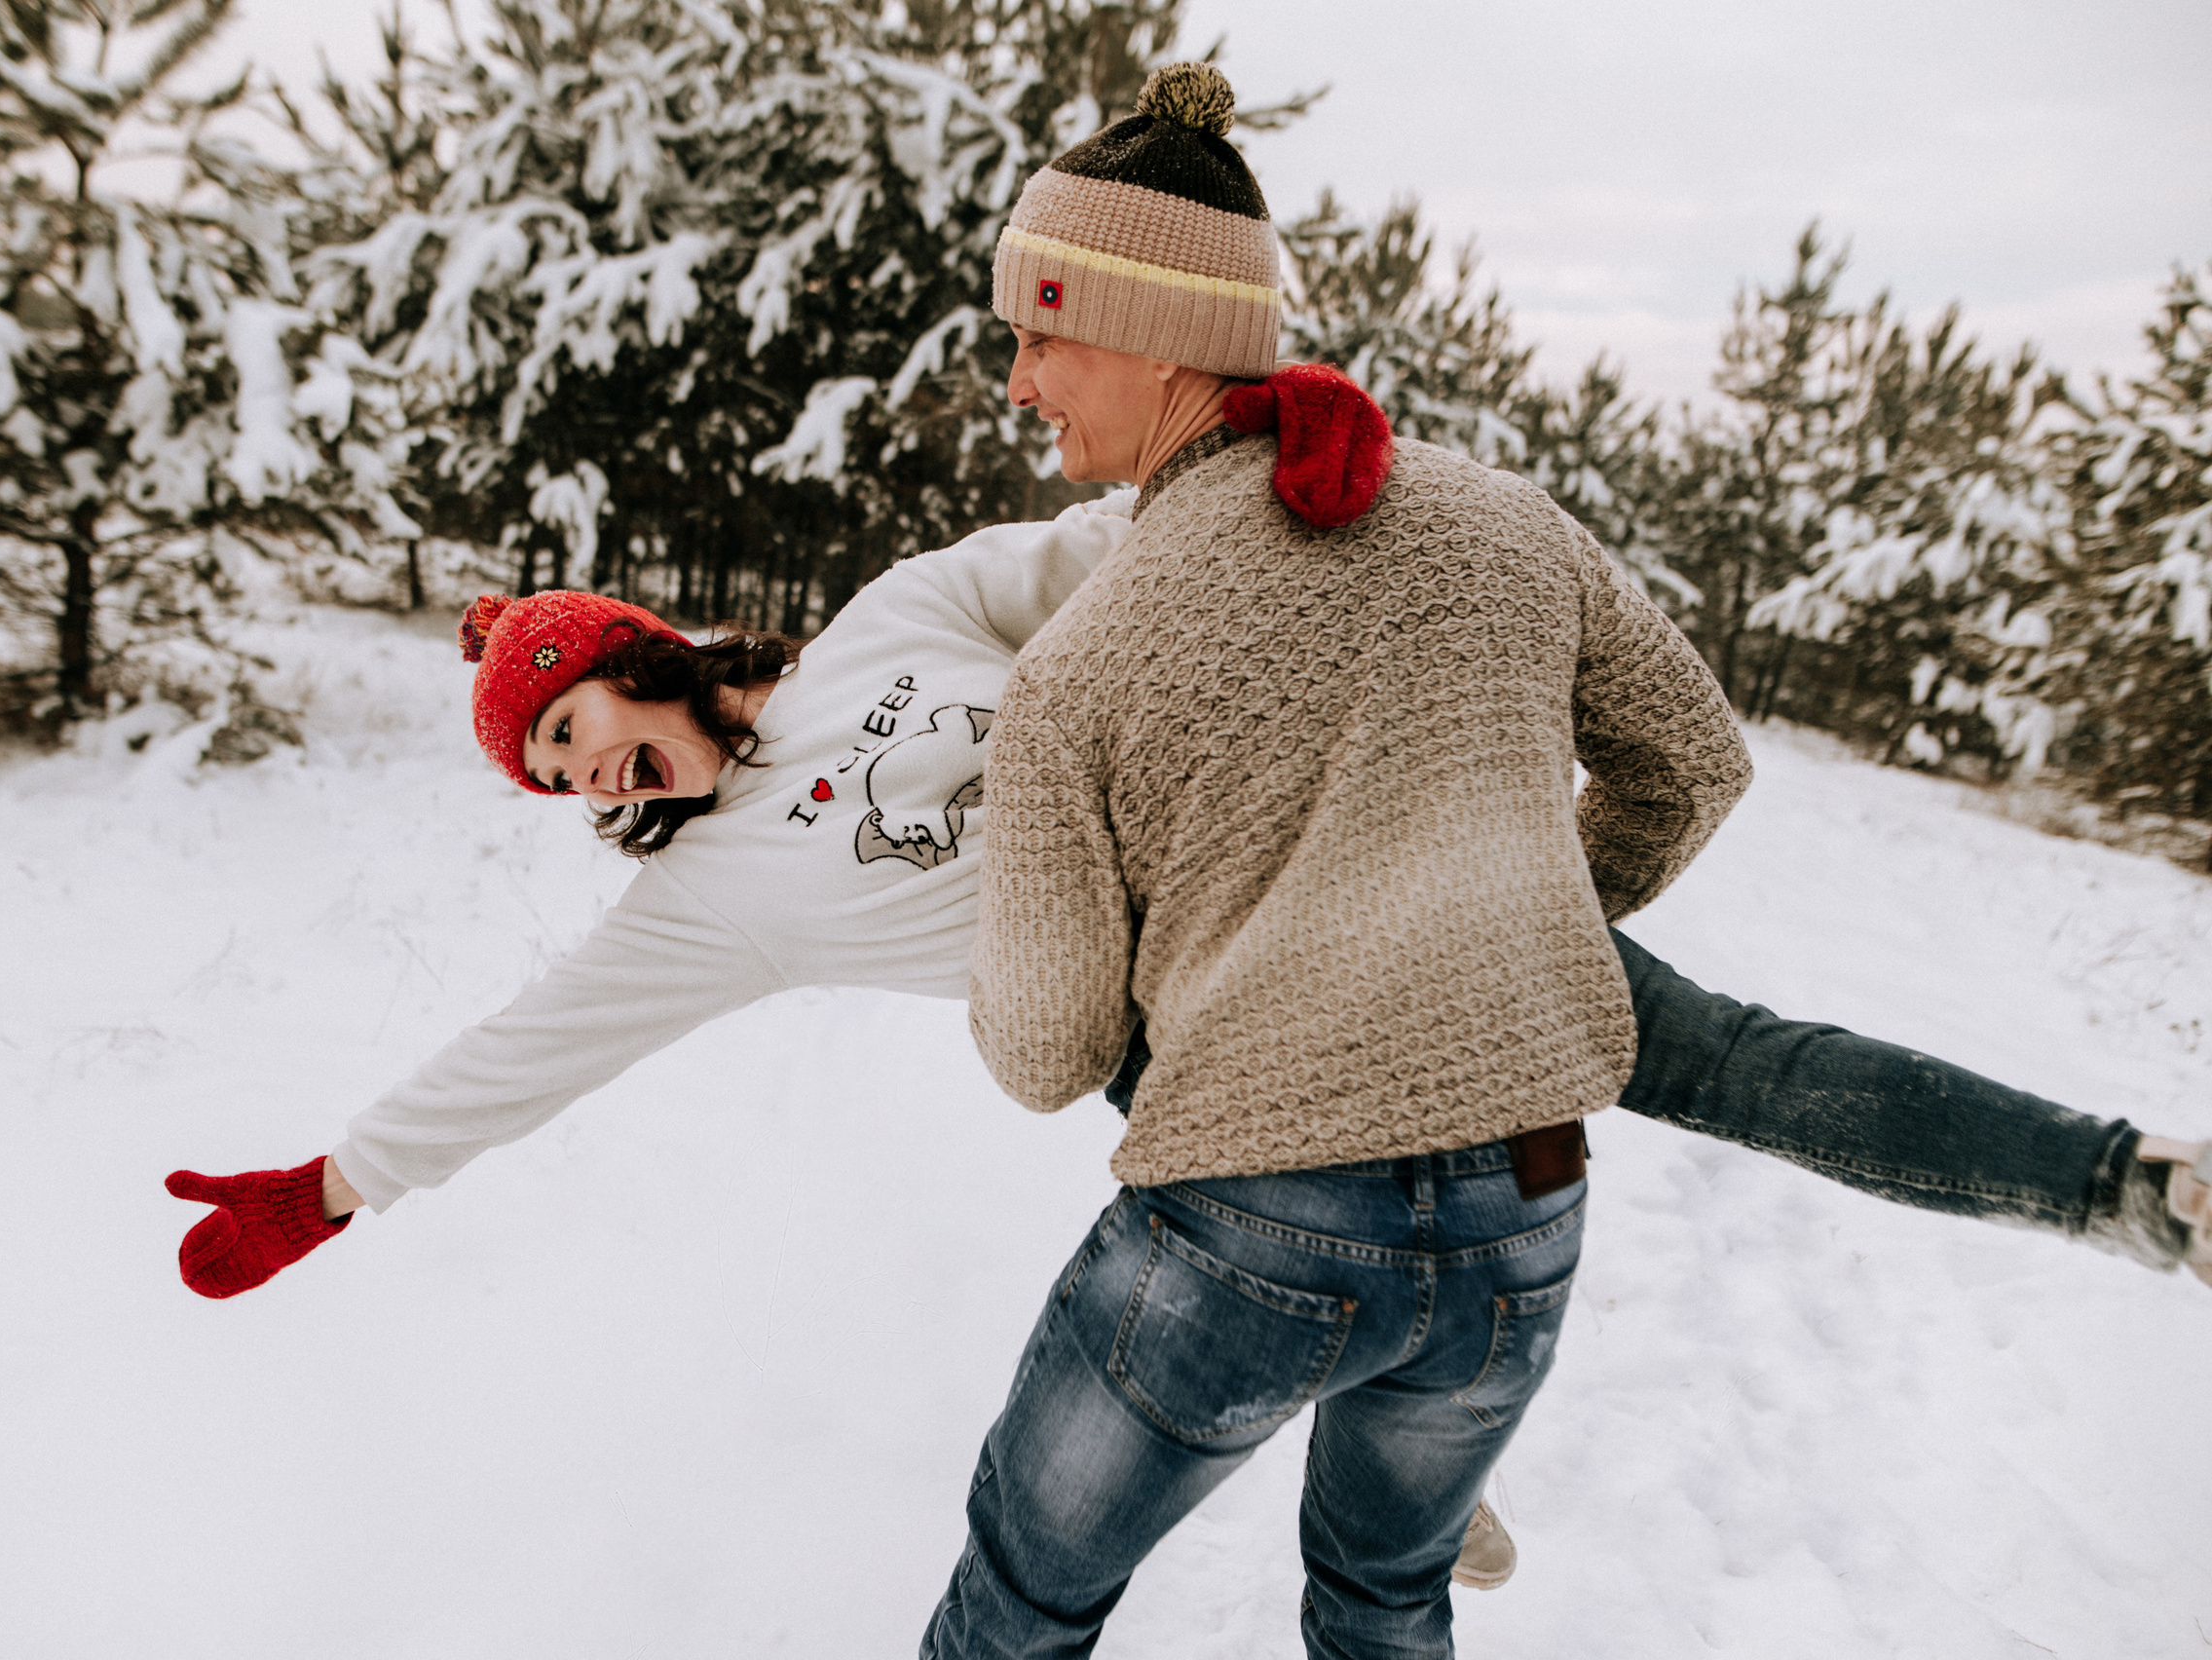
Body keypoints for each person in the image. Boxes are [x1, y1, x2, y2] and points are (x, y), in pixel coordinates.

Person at [162, 73, 2212, 1622]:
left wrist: (1307, 449)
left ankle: (2120, 1180)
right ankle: (1406, 1475)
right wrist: (336, 1185)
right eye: (557, 791)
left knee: (1735, 1058)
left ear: (639, 664)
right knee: (1299, 1239)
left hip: (1355, 896)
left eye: (576, 733)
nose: (586, 784)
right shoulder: (710, 906)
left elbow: (1125, 544)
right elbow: (536, 1042)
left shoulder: (896, 617)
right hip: (1196, 1023)